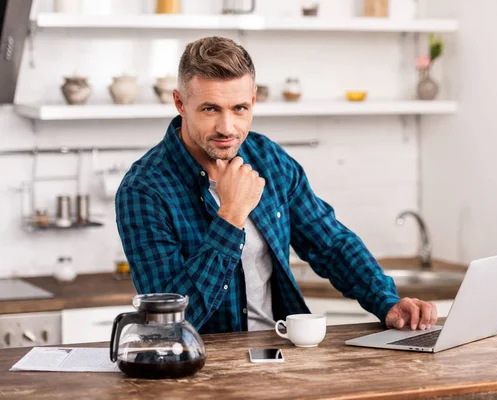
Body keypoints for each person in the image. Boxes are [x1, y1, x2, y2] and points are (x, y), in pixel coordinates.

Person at [115, 36, 438, 334]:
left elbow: (329, 242)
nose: (227, 127)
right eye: (210, 109)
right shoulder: (144, 190)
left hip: (281, 353)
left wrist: (385, 301)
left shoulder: (267, 157)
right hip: (198, 365)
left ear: (253, 101)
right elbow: (170, 322)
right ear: (180, 103)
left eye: (239, 108)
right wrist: (231, 215)